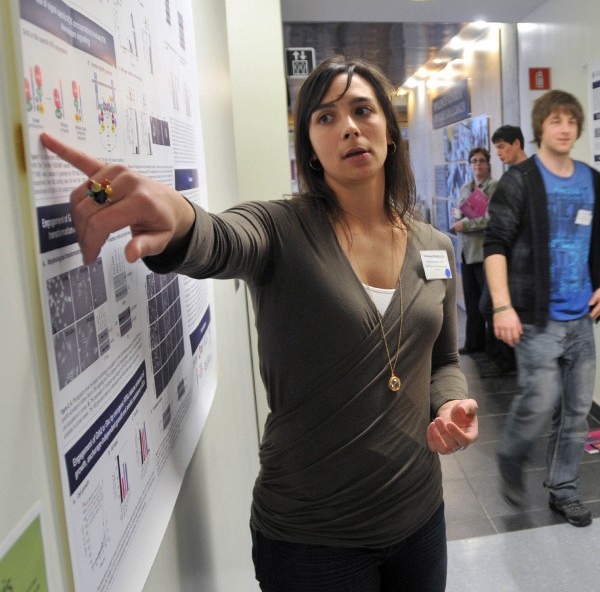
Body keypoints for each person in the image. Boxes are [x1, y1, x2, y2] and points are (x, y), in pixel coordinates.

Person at [41, 57, 479, 592]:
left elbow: (444, 361)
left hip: (420, 516)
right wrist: (177, 216)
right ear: (311, 151)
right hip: (313, 539)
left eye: (363, 110)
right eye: (325, 117)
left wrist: (451, 403)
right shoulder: (281, 229)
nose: (348, 126)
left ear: (389, 130)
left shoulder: (436, 247)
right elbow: (221, 238)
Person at [485, 90, 600, 528]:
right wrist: (503, 307)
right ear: (541, 127)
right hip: (536, 318)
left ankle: (564, 490)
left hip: (581, 317)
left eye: (571, 121)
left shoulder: (595, 181)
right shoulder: (520, 180)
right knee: (540, 400)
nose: (564, 128)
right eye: (555, 120)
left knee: (576, 410)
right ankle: (511, 454)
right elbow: (495, 244)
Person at [478, 125, 530, 375]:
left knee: (494, 306)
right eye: (496, 147)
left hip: (518, 258)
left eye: (501, 147)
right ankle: (506, 360)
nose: (498, 153)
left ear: (517, 144)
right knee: (488, 306)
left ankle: (510, 361)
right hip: (503, 255)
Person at [452, 146, 497, 355]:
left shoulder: (493, 187)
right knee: (471, 303)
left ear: (488, 164)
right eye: (474, 161)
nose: (477, 164)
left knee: (486, 305)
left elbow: (491, 219)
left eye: (481, 161)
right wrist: (457, 219)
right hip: (466, 253)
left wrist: (465, 225)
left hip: (483, 252)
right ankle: (474, 343)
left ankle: (493, 348)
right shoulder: (465, 188)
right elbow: (460, 213)